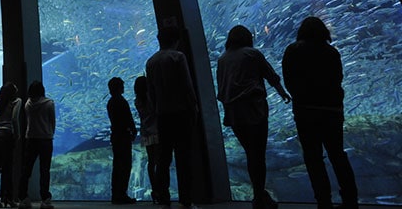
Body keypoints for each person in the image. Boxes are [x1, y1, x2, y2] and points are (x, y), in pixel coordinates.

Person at [282, 17, 358, 209]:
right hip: (332, 111)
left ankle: (324, 202)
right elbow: (337, 79)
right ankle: (350, 200)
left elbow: (289, 80)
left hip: (305, 112)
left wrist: (301, 98)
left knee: (313, 157)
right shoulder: (331, 52)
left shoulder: (293, 50)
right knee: (337, 155)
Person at [216, 25, 291, 209]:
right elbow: (271, 76)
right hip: (254, 110)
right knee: (258, 154)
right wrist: (283, 93)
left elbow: (222, 87)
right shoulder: (252, 53)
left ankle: (259, 193)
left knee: (251, 154)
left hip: (234, 114)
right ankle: (259, 197)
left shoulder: (222, 59)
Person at [145, 27, 198, 209]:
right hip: (181, 113)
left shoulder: (150, 62)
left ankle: (163, 197)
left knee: (163, 158)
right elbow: (187, 85)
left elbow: (150, 92)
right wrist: (194, 107)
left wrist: (156, 109)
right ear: (176, 40)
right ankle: (185, 198)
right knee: (184, 157)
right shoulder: (178, 57)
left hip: (162, 115)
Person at [18, 80, 55, 209]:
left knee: (26, 169)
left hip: (31, 139)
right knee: (45, 170)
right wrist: (50, 133)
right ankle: (45, 199)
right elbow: (52, 121)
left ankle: (23, 198)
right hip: (45, 139)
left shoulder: (27, 104)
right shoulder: (49, 103)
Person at [0, 82, 22, 208]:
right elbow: (14, 118)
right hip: (7, 135)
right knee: (7, 169)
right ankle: (8, 198)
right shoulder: (17, 101)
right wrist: (18, 135)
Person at [107, 77, 137, 205]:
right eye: (122, 85)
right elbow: (128, 118)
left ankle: (116, 194)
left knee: (117, 165)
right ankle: (122, 194)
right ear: (118, 87)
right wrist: (133, 130)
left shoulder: (110, 102)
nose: (124, 87)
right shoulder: (121, 101)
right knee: (125, 165)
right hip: (123, 136)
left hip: (115, 136)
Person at [133, 76, 159, 204]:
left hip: (146, 133)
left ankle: (155, 189)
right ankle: (160, 188)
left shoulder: (137, 101)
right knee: (160, 161)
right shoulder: (151, 99)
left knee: (151, 161)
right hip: (156, 131)